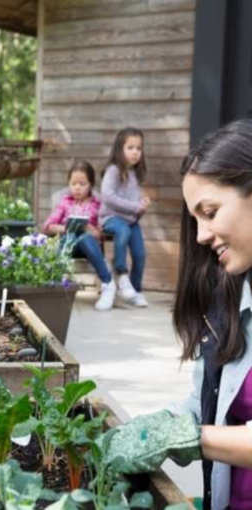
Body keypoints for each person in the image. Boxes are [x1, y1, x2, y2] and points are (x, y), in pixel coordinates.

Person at [103, 119, 252, 510]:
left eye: (210, 211)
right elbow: (213, 403)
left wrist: (187, 437)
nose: (201, 235)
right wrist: (157, 425)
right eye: (195, 218)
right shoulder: (232, 293)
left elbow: (196, 432)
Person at [43, 160, 115, 310]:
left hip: (88, 247)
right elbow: (48, 226)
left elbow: (101, 233)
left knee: (84, 238)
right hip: (68, 244)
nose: (77, 188)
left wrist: (90, 229)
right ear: (69, 184)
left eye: (82, 184)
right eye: (74, 183)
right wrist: (65, 228)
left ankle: (108, 284)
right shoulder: (64, 203)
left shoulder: (97, 204)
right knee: (71, 237)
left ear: (90, 185)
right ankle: (55, 284)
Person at [99, 127, 151, 307]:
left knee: (140, 254)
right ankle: (121, 274)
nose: (135, 152)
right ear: (120, 149)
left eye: (138, 148)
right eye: (130, 148)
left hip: (130, 221)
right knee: (122, 231)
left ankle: (134, 290)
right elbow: (108, 196)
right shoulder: (113, 170)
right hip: (111, 219)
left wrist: (141, 207)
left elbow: (133, 204)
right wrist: (134, 206)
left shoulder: (134, 173)